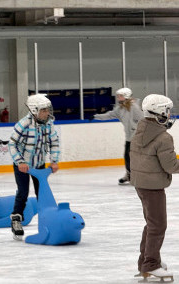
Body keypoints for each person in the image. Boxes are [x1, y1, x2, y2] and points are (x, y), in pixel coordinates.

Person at [130, 94, 178, 281]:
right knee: (158, 225)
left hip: (141, 185)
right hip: (153, 187)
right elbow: (171, 166)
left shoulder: (140, 131)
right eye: (167, 110)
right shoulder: (163, 137)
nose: (169, 113)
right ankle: (151, 264)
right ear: (159, 112)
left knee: (151, 223)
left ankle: (146, 261)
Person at [8, 93, 60, 239]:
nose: (47, 113)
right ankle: (16, 219)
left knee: (42, 193)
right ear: (34, 110)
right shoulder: (23, 124)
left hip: (39, 163)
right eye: (43, 110)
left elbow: (54, 142)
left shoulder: (49, 123)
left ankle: (48, 220)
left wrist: (54, 160)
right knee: (23, 192)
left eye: (48, 110)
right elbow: (12, 144)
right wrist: (20, 162)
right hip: (23, 164)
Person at [92, 87, 143, 185]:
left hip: (137, 137)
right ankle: (130, 175)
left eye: (120, 96)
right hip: (129, 137)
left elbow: (143, 119)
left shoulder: (134, 107)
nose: (118, 98)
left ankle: (136, 176)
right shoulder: (120, 108)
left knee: (132, 157)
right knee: (127, 157)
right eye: (118, 96)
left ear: (126, 96)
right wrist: (95, 116)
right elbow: (110, 115)